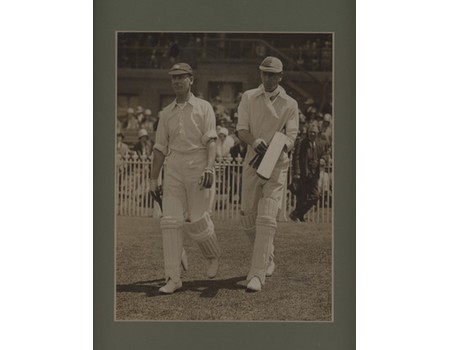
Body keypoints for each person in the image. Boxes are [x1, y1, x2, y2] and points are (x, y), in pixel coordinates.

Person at [149, 62, 221, 294]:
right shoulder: (166, 113)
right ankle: (173, 278)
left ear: (191, 80)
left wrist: (209, 168)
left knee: (197, 220)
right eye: (173, 78)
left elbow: (211, 140)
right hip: (174, 166)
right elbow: (160, 148)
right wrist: (153, 179)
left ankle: (212, 256)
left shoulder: (203, 107)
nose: (177, 82)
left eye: (181, 77)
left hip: (198, 163)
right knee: (170, 222)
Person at [236, 56, 299, 292]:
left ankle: (257, 274)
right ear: (260, 75)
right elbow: (241, 129)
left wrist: (276, 148)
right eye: (265, 74)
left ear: (281, 76)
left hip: (277, 163)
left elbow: (291, 136)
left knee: (267, 216)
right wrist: (256, 141)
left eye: (273, 74)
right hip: (253, 159)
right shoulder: (249, 97)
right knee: (247, 217)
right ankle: (268, 257)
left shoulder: (290, 103)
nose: (268, 78)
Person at [289, 124, 324, 222]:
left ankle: (296, 213)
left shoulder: (319, 144)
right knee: (302, 196)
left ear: (318, 133)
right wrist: (297, 172)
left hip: (314, 175)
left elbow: (324, 154)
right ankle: (299, 216)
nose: (312, 134)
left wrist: (323, 159)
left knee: (315, 196)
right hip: (303, 174)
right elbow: (296, 158)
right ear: (308, 133)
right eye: (310, 132)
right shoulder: (302, 142)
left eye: (314, 132)